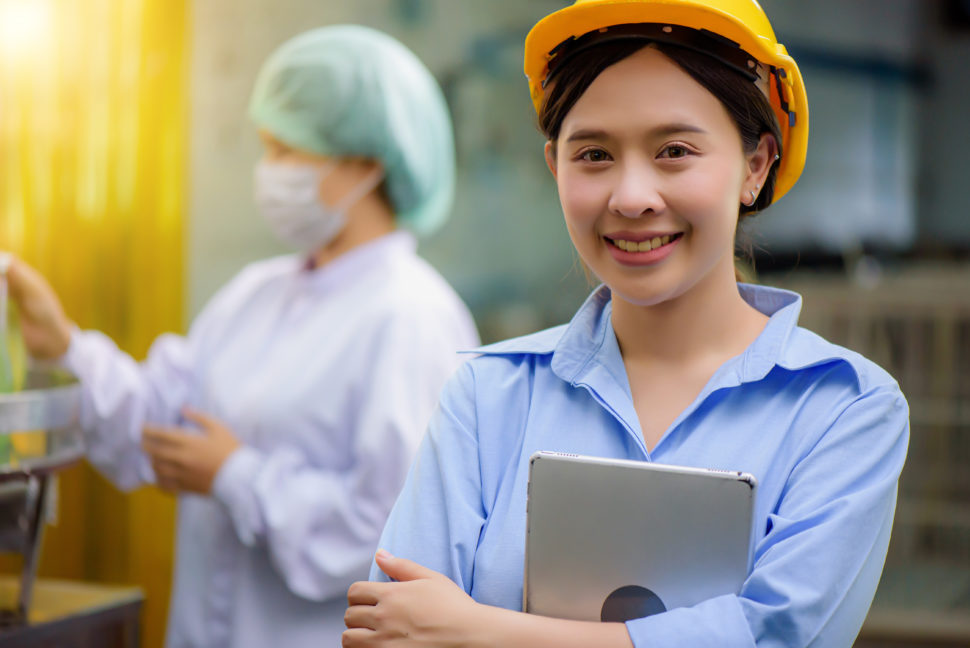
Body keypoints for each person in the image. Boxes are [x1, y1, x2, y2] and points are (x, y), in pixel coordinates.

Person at [342, 1, 909, 647]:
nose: (631, 196)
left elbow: (773, 633)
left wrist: (479, 630)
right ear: (555, 167)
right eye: (593, 155)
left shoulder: (842, 407)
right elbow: (394, 629)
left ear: (755, 166)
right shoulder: (486, 396)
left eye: (674, 150)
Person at [4, 25, 478, 648]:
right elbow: (160, 420)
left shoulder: (412, 316)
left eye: (286, 150)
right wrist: (61, 343)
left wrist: (235, 476)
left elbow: (388, 536)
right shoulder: (258, 293)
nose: (268, 172)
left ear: (366, 162)